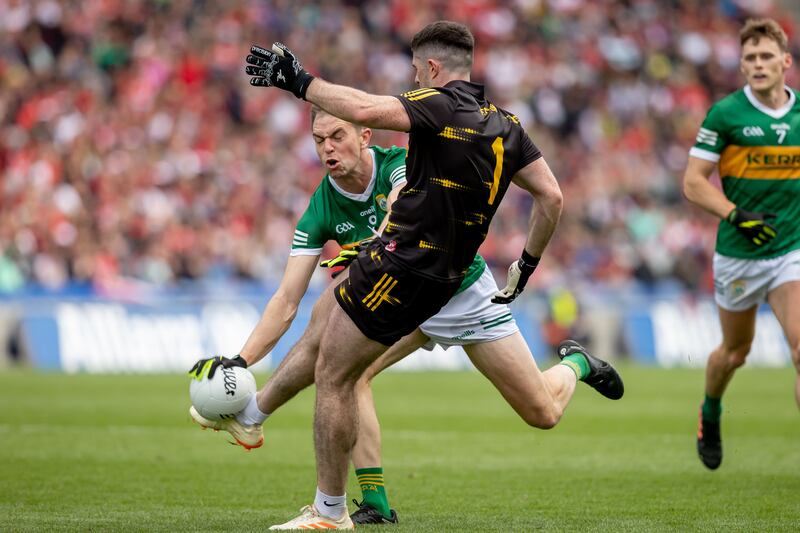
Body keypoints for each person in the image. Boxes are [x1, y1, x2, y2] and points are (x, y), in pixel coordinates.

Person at [196, 21, 622, 530]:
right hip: (446, 278)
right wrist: (526, 265)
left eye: (416, 70)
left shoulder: (432, 109)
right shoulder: (506, 124)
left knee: (539, 411)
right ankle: (321, 470)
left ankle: (575, 364)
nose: (412, 79)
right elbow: (551, 197)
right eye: (320, 139)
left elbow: (364, 111)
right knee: (335, 339)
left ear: (433, 69)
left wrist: (299, 80)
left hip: (427, 279)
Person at [683, 17, 800, 471]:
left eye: (766, 56)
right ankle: (710, 410)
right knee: (735, 352)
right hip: (738, 253)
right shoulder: (727, 114)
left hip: (790, 249)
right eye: (749, 57)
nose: (757, 63)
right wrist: (735, 215)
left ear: (785, 61)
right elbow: (694, 183)